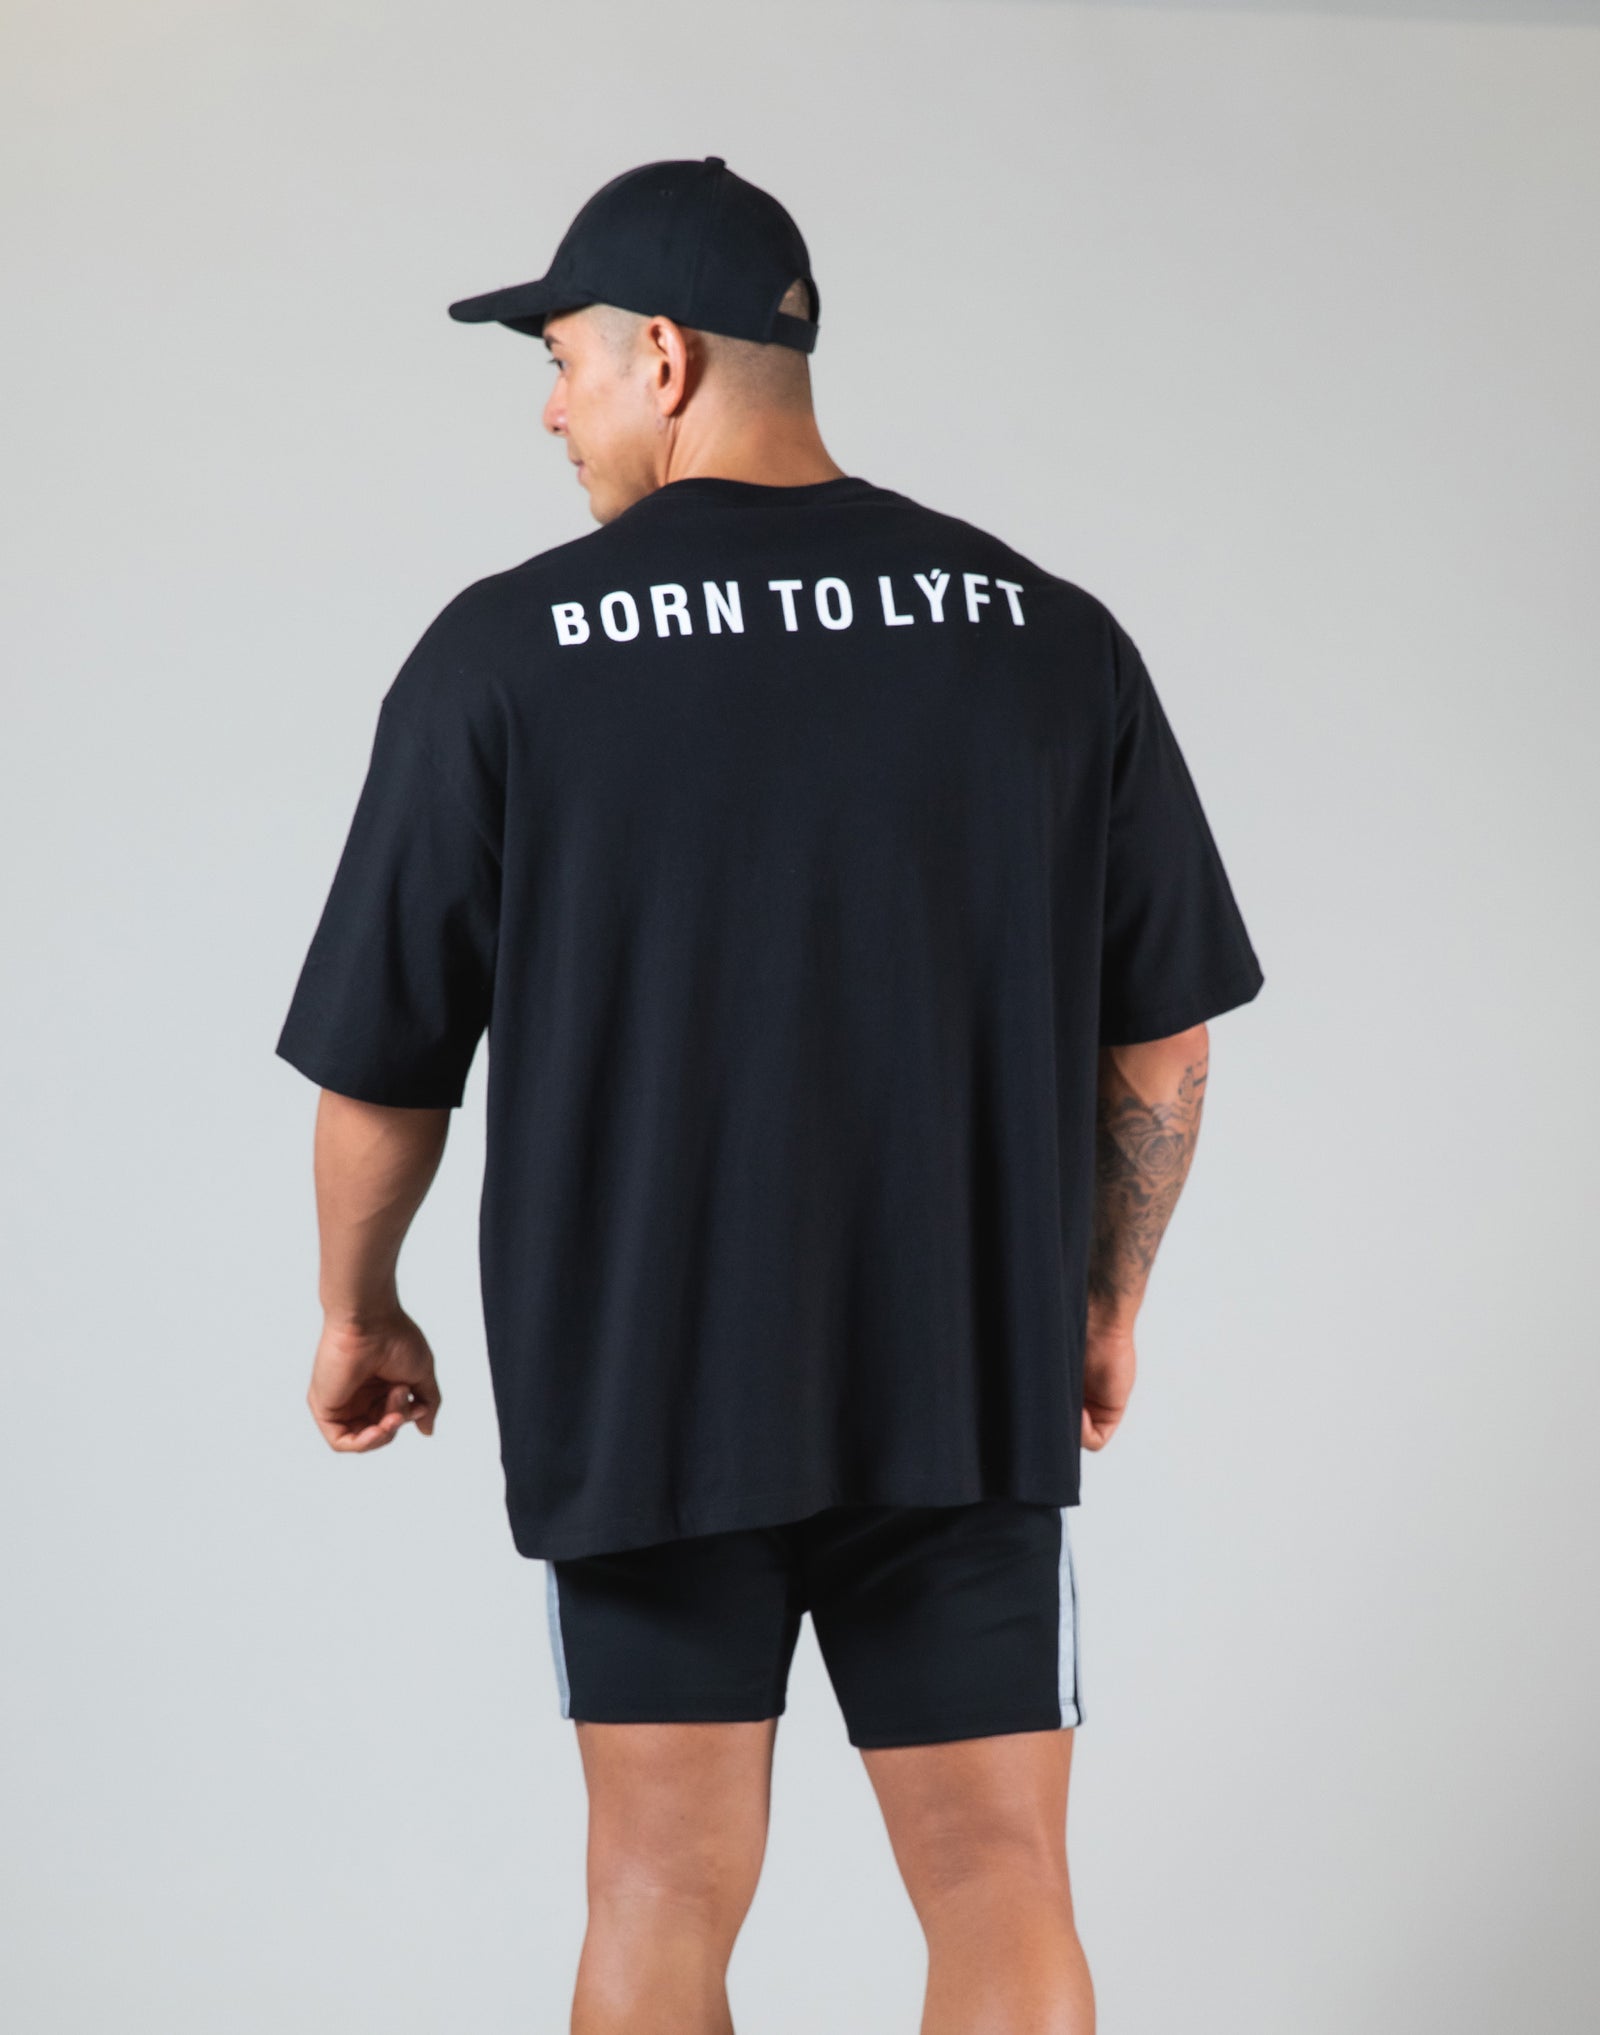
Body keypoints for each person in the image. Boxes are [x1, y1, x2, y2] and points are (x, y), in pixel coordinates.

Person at [274, 155, 1264, 2035]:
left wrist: (356, 1307)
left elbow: (384, 1062)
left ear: (661, 354)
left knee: (657, 1891)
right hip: (960, 1372)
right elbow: (1166, 1038)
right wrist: (1103, 1302)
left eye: (560, 359)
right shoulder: (1049, 637)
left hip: (645, 1380)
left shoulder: (503, 653)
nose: (550, 409)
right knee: (1001, 1881)